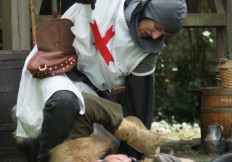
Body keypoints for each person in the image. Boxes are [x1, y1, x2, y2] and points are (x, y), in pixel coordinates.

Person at [15, 0, 187, 161]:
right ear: (147, 10)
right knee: (63, 101)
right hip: (56, 68)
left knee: (110, 138)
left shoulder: (145, 54)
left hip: (91, 89)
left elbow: (139, 105)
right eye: (157, 27)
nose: (156, 36)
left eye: (163, 34)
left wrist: (131, 155)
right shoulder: (108, 3)